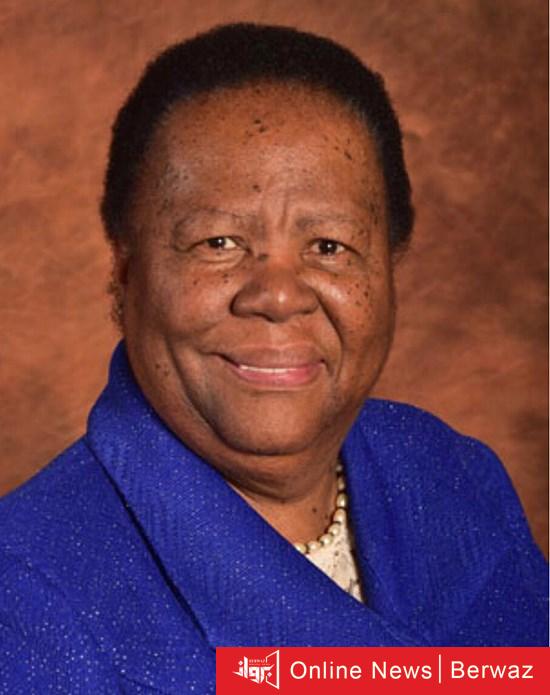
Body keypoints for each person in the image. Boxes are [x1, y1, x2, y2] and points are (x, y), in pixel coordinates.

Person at [0, 22, 547, 694]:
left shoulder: (455, 476)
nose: (279, 295)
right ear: (125, 271)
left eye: (329, 246)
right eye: (219, 242)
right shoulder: (25, 600)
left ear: (390, 267)